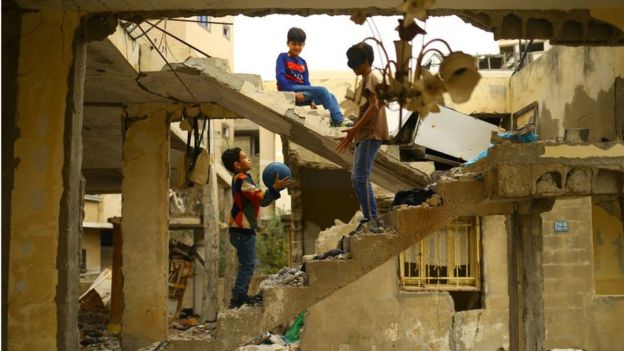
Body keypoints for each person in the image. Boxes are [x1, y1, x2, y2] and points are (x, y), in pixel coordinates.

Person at [221, 147, 290, 308]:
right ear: (237, 165)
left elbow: (261, 200)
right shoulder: (241, 179)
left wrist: (274, 189)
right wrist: (275, 188)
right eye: (245, 157)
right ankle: (238, 297)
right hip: (241, 230)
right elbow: (260, 198)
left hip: (242, 230)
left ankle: (240, 295)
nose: (249, 159)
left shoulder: (241, 178)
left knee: (247, 263)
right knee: (248, 264)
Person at [336, 42, 389, 234]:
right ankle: (370, 218)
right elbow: (364, 110)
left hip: (371, 133)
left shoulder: (371, 78)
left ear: (366, 61)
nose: (353, 66)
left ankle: (373, 220)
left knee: (360, 178)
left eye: (356, 62)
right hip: (363, 134)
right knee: (357, 178)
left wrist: (355, 129)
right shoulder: (365, 79)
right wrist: (352, 133)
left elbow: (374, 107)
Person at [276, 27, 352, 127]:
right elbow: (280, 77)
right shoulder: (283, 57)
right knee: (322, 90)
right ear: (288, 43)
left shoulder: (303, 62)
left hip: (302, 93)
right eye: (294, 44)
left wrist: (311, 100)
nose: (297, 47)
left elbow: (306, 84)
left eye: (300, 44)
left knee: (330, 96)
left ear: (304, 45)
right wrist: (293, 93)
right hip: (289, 90)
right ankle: (339, 120)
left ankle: (336, 120)